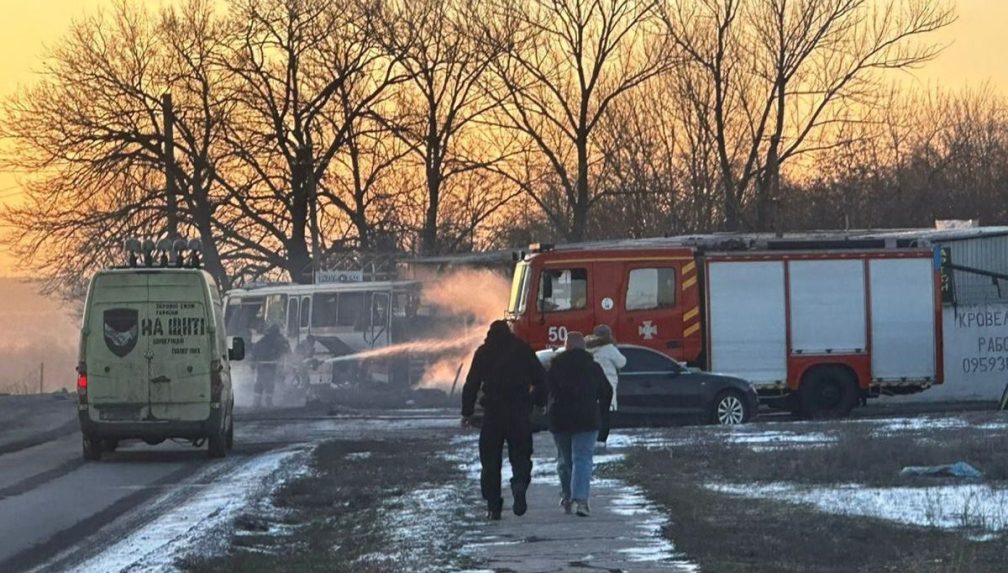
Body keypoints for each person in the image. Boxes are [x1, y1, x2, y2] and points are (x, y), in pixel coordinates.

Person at [461, 320, 547, 520]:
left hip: (493, 413)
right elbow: (541, 379)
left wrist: (467, 412)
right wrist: (539, 402)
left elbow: (471, 383)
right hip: (519, 412)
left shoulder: (483, 352)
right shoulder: (523, 350)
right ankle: (519, 484)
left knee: (490, 461)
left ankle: (493, 506)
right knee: (521, 455)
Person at [547, 331, 613, 517]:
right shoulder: (593, 367)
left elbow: (547, 390)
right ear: (584, 347)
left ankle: (567, 496)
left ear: (566, 346)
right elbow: (606, 391)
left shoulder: (555, 366)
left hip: (560, 420)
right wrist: (598, 407)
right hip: (587, 419)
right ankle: (582, 501)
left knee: (565, 460)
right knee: (583, 459)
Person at [586, 324, 626, 448]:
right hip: (607, 383)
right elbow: (621, 362)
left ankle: (591, 438)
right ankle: (601, 440)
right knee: (604, 414)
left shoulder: (586, 347)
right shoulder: (609, 348)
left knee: (591, 413)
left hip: (589, 384)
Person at [253, 323, 290, 408]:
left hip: (262, 364)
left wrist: (254, 362)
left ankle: (258, 402)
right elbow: (286, 349)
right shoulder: (279, 339)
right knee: (269, 383)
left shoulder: (263, 340)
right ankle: (267, 401)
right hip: (271, 364)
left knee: (260, 382)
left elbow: (255, 351)